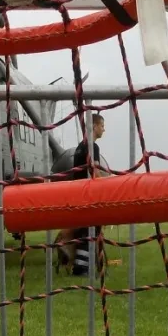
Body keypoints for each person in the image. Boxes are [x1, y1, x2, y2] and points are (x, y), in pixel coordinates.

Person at [58, 113, 108, 276]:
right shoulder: (93, 147)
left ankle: (81, 261)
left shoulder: (80, 146)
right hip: (89, 196)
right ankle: (81, 267)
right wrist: (108, 188)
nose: (104, 130)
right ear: (94, 126)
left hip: (78, 193)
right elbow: (95, 172)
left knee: (84, 230)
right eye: (102, 126)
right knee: (91, 230)